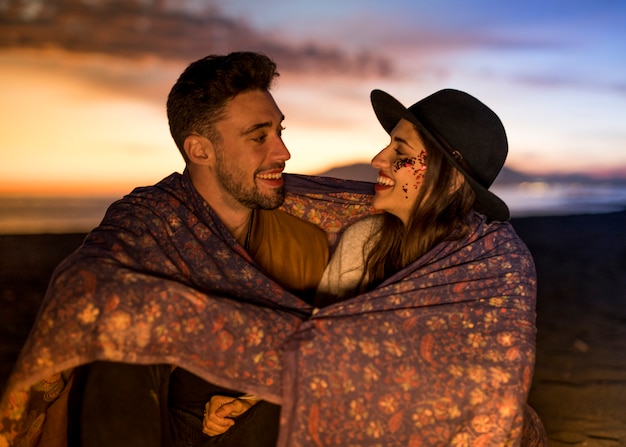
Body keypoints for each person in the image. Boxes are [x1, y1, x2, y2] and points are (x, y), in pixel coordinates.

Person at [0, 51, 332, 447]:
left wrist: (253, 393)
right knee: (123, 329)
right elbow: (84, 280)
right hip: (154, 420)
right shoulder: (148, 221)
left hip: (255, 422)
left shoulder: (304, 237)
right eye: (259, 136)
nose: (283, 153)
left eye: (280, 132)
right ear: (200, 150)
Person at [273, 89, 546, 446]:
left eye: (399, 152)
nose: (377, 159)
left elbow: (493, 385)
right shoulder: (363, 243)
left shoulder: (492, 265)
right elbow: (320, 350)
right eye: (387, 145)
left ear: (449, 180)